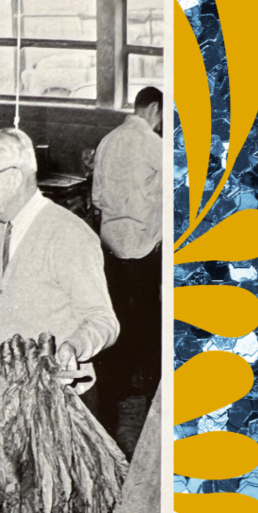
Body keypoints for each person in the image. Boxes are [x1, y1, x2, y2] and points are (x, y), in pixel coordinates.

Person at [0, 128, 118, 398]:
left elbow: (103, 320)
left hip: (58, 397)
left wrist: (75, 346)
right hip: (4, 394)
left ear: (13, 178)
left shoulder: (67, 234)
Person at [92, 86, 163, 424]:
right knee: (148, 321)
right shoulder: (152, 143)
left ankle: (113, 390)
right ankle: (151, 393)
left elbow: (96, 197)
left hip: (110, 245)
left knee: (116, 317)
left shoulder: (107, 141)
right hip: (143, 246)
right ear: (154, 108)